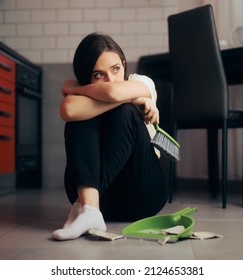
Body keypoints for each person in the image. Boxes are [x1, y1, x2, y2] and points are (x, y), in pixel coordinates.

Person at [52, 32, 168, 241]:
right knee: (78, 120)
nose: (110, 80)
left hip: (143, 194)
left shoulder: (142, 82)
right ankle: (91, 211)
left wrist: (77, 89)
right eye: (98, 75)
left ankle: (84, 207)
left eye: (116, 69)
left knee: (125, 113)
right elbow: (68, 110)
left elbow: (114, 92)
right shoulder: (125, 93)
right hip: (103, 201)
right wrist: (132, 99)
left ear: (124, 64)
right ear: (86, 75)